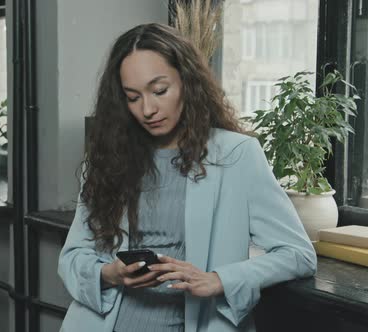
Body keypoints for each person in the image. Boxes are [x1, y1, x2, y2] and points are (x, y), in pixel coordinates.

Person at [57, 23, 317, 332]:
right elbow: (73, 257)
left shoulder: (236, 155)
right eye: (133, 97)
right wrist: (110, 274)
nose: (148, 109)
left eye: (160, 90)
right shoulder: (107, 159)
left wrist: (220, 279)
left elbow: (298, 254)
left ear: (186, 81)